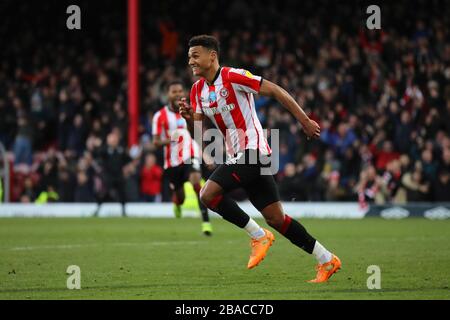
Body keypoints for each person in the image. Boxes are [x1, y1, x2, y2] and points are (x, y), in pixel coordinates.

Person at [179, 35, 341, 283]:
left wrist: (305, 121)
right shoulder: (197, 91)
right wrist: (190, 119)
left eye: (195, 55)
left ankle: (258, 235)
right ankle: (326, 259)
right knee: (277, 218)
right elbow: (200, 136)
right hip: (241, 157)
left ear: (212, 56)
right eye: (189, 56)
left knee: (208, 195)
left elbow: (275, 91)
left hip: (255, 152)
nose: (191, 61)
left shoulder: (234, 76)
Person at [152, 80, 213, 236]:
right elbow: (156, 142)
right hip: (172, 161)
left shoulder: (190, 111)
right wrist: (172, 139)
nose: (178, 94)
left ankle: (206, 223)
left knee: (196, 182)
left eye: (180, 91)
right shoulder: (160, 116)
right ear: (168, 95)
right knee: (181, 198)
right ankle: (177, 203)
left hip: (190, 155)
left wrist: (205, 154)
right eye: (174, 91)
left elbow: (197, 134)